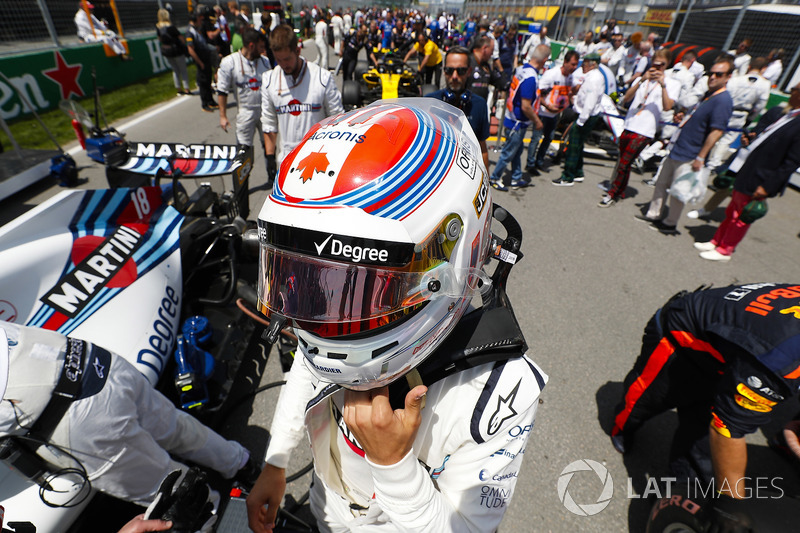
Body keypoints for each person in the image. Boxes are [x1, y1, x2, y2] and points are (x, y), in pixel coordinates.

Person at [245, 98, 547, 533]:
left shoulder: (504, 391)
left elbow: (469, 528)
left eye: (361, 285)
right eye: (309, 280)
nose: (321, 315)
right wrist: (275, 461)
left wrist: (394, 465)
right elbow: (308, 370)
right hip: (324, 511)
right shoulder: (330, 334)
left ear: (451, 256)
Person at [0, 321, 257, 507]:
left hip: (78, 422)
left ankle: (215, 519)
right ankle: (243, 465)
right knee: (175, 426)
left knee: (171, 494)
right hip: (90, 360)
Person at [610, 283, 800, 528]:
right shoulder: (781, 359)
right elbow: (728, 429)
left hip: (732, 354)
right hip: (681, 337)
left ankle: (677, 491)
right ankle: (622, 426)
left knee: (701, 447)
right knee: (641, 401)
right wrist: (731, 505)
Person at [693, 83, 800, 261]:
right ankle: (716, 240)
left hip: (762, 176)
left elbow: (791, 162)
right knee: (732, 210)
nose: (791, 93)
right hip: (749, 167)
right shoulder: (787, 115)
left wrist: (768, 186)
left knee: (740, 216)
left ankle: (725, 249)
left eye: (794, 90)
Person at [635, 56, 734, 234]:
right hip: (677, 147)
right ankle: (654, 213)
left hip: (691, 153)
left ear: (728, 77)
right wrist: (684, 117)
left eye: (718, 74)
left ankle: (670, 223)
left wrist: (700, 157)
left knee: (678, 191)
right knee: (661, 182)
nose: (712, 77)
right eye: (711, 73)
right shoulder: (709, 96)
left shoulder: (723, 100)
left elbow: (716, 131)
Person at [261, 24, 343, 183]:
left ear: (297, 51)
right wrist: (270, 156)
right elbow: (269, 123)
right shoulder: (269, 80)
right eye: (278, 60)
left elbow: (337, 120)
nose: (284, 65)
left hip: (319, 161)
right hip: (286, 161)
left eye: (287, 59)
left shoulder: (322, 78)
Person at [599, 49, 679, 207]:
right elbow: (626, 99)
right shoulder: (645, 78)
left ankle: (612, 193)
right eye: (655, 63)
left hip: (645, 130)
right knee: (624, 162)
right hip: (629, 124)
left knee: (624, 162)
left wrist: (663, 85)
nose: (657, 67)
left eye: (661, 64)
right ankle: (620, 190)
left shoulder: (672, 83)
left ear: (667, 64)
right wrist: (642, 80)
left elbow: (668, 106)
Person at [489, 44, 549, 192]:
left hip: (512, 118)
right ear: (544, 60)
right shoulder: (531, 78)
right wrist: (537, 121)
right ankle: (495, 178)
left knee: (517, 150)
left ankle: (516, 177)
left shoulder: (522, 69)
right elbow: (526, 106)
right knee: (508, 152)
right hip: (517, 122)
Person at [552, 53, 612, 186]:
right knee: (578, 145)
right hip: (586, 115)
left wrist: (581, 120)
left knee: (573, 145)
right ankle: (578, 172)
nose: (582, 65)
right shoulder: (592, 77)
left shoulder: (593, 79)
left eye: (585, 63)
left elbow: (589, 103)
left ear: (593, 64)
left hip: (585, 116)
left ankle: (567, 176)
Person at [427, 46, 490, 171]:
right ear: (444, 71)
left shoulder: (479, 104)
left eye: (460, 71)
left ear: (469, 71)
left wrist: (487, 182)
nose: (454, 76)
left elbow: (482, 149)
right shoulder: (429, 102)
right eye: (449, 70)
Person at [217, 28, 271, 170]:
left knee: (270, 147)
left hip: (265, 111)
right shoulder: (230, 62)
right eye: (261, 46)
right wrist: (223, 116)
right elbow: (222, 90)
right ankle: (242, 184)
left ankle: (273, 178)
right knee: (244, 150)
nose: (263, 49)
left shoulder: (265, 62)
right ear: (251, 45)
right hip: (245, 112)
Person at [706, 57, 770, 171]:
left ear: (749, 66)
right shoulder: (765, 84)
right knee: (726, 139)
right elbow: (760, 105)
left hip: (726, 109)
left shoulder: (736, 79)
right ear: (763, 69)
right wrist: (750, 118)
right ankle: (713, 163)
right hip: (742, 114)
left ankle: (705, 157)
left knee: (714, 133)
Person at [529, 50, 580, 173]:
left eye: (576, 65)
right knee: (536, 138)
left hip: (555, 114)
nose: (574, 67)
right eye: (572, 64)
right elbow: (538, 93)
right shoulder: (552, 74)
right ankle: (530, 164)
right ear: (565, 62)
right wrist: (547, 105)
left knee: (549, 138)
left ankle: (539, 162)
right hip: (542, 112)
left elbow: (574, 91)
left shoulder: (571, 77)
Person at [186, 9, 218, 112]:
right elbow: (190, 49)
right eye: (199, 19)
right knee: (203, 82)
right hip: (201, 60)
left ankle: (211, 101)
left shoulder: (196, 30)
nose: (201, 21)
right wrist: (199, 62)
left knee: (208, 80)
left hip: (206, 58)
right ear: (195, 19)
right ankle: (205, 104)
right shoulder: (190, 32)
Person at [155, 8, 190, 96]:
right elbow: (181, 38)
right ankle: (186, 89)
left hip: (167, 51)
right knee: (183, 70)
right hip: (176, 50)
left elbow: (159, 39)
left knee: (175, 70)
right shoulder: (171, 26)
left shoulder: (158, 27)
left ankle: (179, 89)